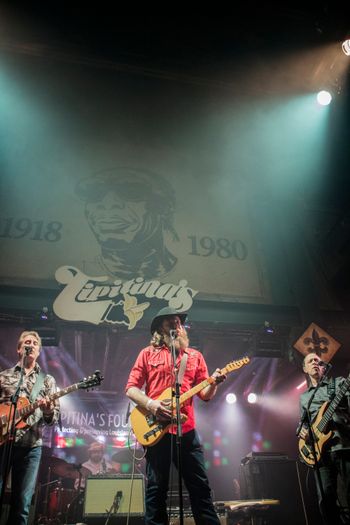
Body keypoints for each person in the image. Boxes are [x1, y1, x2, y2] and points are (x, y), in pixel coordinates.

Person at [125, 306, 226, 525]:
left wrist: (214, 383)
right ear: (160, 327)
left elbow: (205, 395)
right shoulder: (147, 353)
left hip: (186, 430)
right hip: (157, 431)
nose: (177, 324)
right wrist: (152, 405)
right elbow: (131, 388)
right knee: (156, 490)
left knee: (200, 488)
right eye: (171, 321)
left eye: (179, 321)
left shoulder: (195, 356)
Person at [75, 168, 179, 279]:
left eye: (132, 192)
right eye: (94, 194)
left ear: (164, 208)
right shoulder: (82, 269)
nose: (108, 204)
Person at [0, 330, 60, 525]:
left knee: (22, 504)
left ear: (39, 350)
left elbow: (52, 420)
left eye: (35, 343)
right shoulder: (4, 377)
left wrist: (49, 410)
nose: (31, 344)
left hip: (31, 447)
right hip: (3, 445)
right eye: (27, 342)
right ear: (19, 349)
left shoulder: (48, 381)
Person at [298, 352, 350, 525]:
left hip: (343, 446)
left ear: (323, 367)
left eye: (318, 361)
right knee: (325, 500)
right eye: (310, 361)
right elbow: (302, 423)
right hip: (320, 453)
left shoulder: (339, 383)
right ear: (305, 368)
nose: (315, 362)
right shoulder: (305, 397)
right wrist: (302, 431)